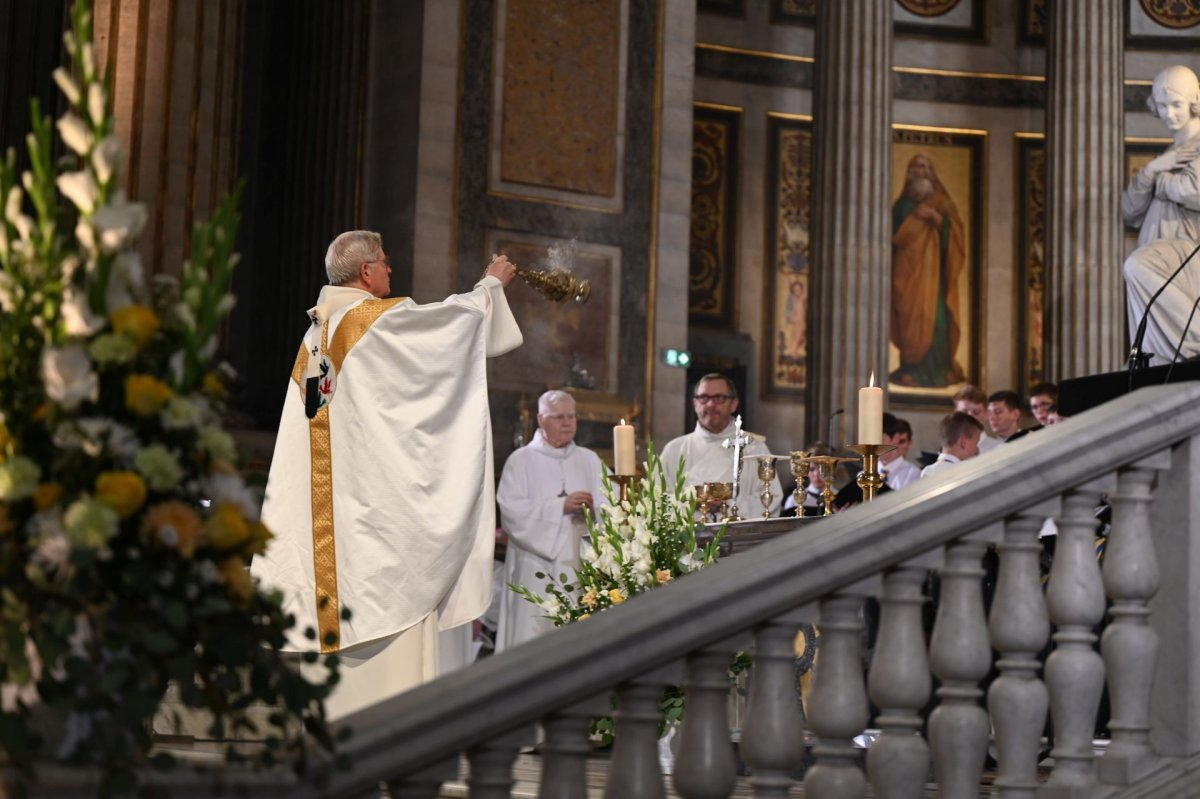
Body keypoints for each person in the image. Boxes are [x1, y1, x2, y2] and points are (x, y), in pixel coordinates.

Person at [250, 230, 523, 720]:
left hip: (331, 521)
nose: (391, 272)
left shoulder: (315, 335)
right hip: (366, 527)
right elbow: (446, 327)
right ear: (365, 272)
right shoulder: (370, 319)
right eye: (385, 263)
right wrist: (490, 286)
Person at [494, 390, 607, 652]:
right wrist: (560, 507)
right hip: (534, 566)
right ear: (540, 419)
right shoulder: (520, 460)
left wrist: (592, 510)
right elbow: (511, 512)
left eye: (572, 416)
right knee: (532, 634)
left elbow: (610, 504)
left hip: (578, 562)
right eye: (559, 417)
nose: (567, 423)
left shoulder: (589, 460)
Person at [1121, 64, 1200, 364]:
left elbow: (1195, 192)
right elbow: (1129, 209)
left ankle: (1194, 336)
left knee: (1137, 265)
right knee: (1154, 360)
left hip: (1188, 254)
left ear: (1193, 100)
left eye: (1176, 104)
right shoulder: (1168, 155)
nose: (1169, 114)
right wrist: (1152, 169)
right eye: (1163, 105)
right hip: (1159, 246)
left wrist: (1162, 180)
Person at [890, 153, 967, 388]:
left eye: (926, 167)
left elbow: (957, 239)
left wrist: (935, 218)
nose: (922, 172)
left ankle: (941, 369)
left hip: (935, 279)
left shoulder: (942, 203)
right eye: (917, 168)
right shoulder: (901, 206)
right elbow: (891, 241)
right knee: (910, 321)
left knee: (938, 323)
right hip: (907, 275)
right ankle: (911, 369)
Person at [661, 373, 783, 516]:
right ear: (695, 403)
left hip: (738, 536)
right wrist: (690, 503)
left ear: (734, 404)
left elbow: (771, 499)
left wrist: (728, 505)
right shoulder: (674, 450)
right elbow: (657, 500)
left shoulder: (754, 448)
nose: (711, 404)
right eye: (704, 398)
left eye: (719, 398)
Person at [920, 411, 984, 480]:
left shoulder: (928, 471)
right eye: (976, 443)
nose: (977, 450)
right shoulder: (965, 474)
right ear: (963, 443)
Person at [953, 384, 1000, 454]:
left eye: (976, 412)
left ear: (986, 414)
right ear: (956, 414)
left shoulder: (998, 449)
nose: (969, 417)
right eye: (964, 412)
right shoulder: (950, 447)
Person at [880, 413, 921, 490]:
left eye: (881, 440)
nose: (875, 445)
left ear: (895, 439)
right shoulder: (865, 473)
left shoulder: (912, 474)